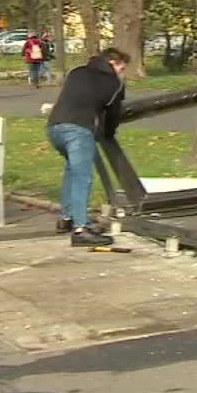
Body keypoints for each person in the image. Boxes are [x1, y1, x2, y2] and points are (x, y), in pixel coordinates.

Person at [46, 47, 130, 246]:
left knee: (71, 171)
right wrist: (108, 134)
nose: (122, 72)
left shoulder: (77, 72)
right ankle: (80, 229)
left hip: (55, 127)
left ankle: (66, 218)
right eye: (122, 68)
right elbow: (112, 115)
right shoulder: (113, 83)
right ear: (113, 63)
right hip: (78, 129)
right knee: (83, 177)